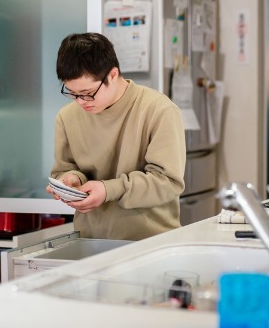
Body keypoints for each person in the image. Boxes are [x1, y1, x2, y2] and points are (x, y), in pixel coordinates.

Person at [46, 32, 186, 240]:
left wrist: (108, 190)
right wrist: (70, 181)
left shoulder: (159, 110)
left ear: (112, 75)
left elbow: (168, 182)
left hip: (150, 242)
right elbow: (65, 169)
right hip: (89, 242)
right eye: (72, 93)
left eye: (88, 92)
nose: (81, 101)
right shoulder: (67, 117)